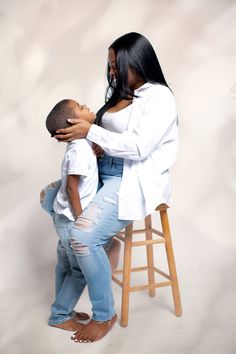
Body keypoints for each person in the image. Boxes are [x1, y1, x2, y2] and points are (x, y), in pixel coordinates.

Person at [50, 32, 178, 343]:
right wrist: (98, 147)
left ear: (136, 61)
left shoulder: (159, 97)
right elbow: (114, 139)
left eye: (117, 65)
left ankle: (104, 314)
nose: (112, 72)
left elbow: (138, 148)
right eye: (109, 66)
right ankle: (64, 306)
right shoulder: (124, 94)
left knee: (81, 237)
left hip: (130, 178)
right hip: (103, 171)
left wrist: (92, 132)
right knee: (51, 195)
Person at [41, 99, 121, 331]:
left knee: (65, 266)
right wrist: (82, 220)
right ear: (72, 122)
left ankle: (64, 307)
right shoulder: (78, 151)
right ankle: (60, 315)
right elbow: (71, 188)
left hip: (63, 217)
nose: (87, 106)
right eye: (81, 107)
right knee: (79, 271)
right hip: (71, 220)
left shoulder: (81, 146)